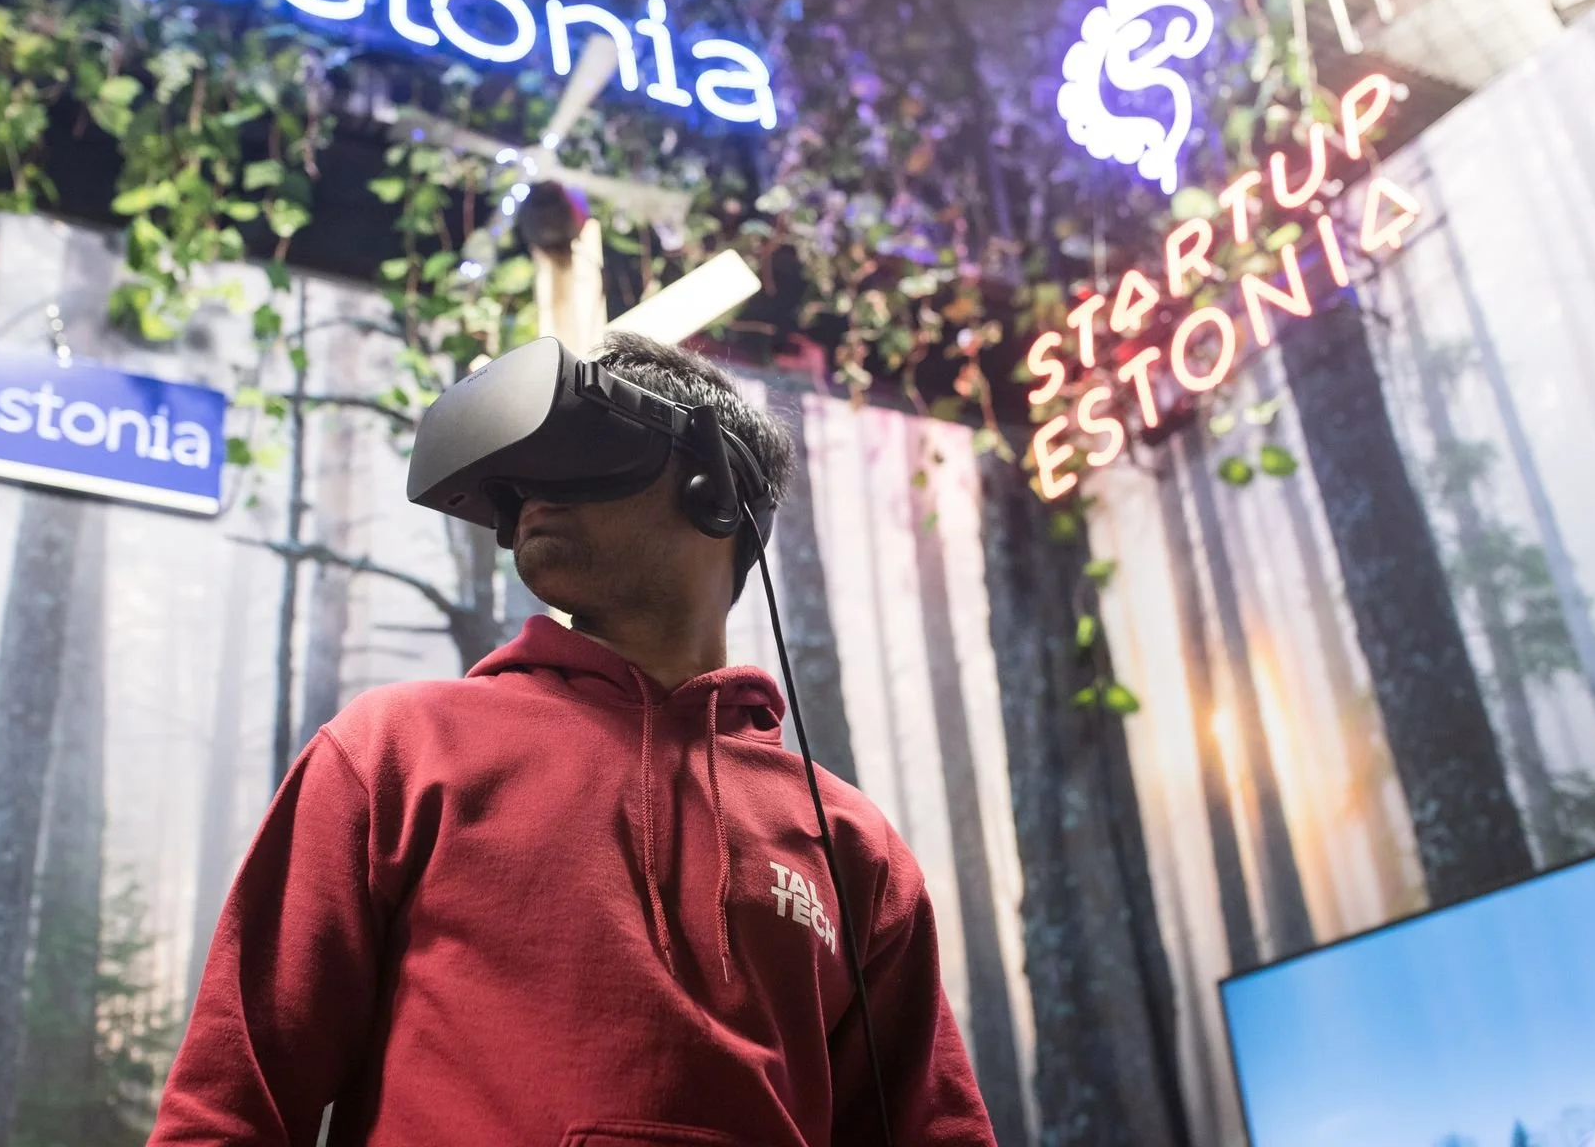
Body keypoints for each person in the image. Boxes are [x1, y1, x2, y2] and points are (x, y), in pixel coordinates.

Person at [150, 333, 998, 1146]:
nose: (530, 495)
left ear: (714, 488)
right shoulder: (397, 753)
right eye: (514, 483)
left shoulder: (850, 848)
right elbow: (229, 1110)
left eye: (577, 452)